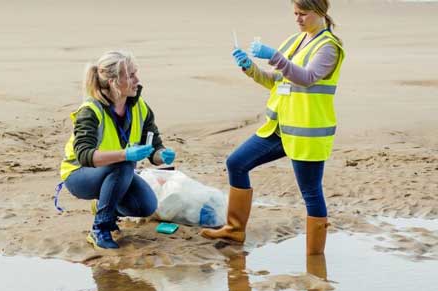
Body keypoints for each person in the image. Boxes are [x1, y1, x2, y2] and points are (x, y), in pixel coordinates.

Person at [201, 0, 345, 255]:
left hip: (306, 133)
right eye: (295, 14)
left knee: (311, 193)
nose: (298, 19)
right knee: (237, 163)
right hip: (278, 128)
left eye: (303, 14)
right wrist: (249, 67)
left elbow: (307, 78)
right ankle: (234, 230)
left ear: (320, 12)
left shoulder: (329, 47)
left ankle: (315, 257)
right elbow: (275, 81)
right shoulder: (294, 41)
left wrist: (274, 57)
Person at [59, 50, 176, 250]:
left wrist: (161, 155)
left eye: (135, 73)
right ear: (113, 82)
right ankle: (100, 228)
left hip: (116, 171)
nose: (137, 80)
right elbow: (85, 155)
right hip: (79, 174)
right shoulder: (90, 111)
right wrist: (125, 155)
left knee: (146, 206)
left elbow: (154, 146)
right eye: (130, 75)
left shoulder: (140, 107)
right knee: (124, 164)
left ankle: (104, 206)